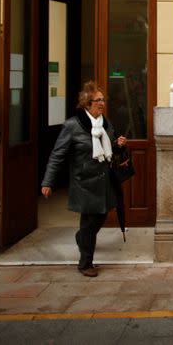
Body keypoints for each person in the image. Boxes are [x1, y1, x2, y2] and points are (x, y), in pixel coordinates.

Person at [41, 81, 127, 277]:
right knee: (89, 223)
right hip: (85, 183)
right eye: (98, 100)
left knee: (102, 216)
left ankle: (81, 238)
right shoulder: (73, 125)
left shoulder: (106, 123)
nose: (102, 103)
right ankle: (85, 263)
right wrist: (48, 181)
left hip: (104, 181)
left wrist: (118, 145)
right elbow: (57, 155)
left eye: (103, 100)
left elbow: (109, 149)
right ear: (87, 104)